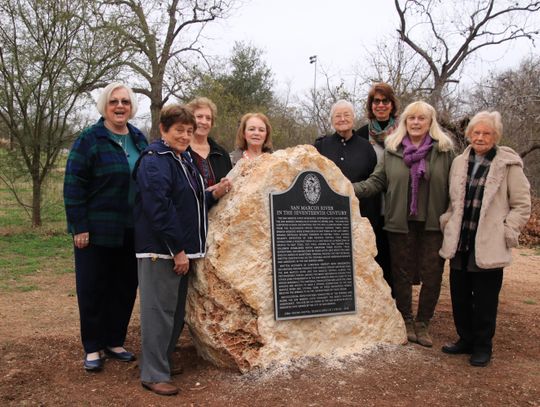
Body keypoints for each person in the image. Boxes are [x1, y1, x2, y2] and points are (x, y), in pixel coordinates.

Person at [134, 104, 231, 396]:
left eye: (189, 131)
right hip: (161, 251)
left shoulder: (182, 159)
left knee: (175, 313)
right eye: (179, 130)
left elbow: (190, 200)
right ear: (163, 129)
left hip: (182, 251)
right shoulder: (155, 160)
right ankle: (152, 373)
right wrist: (177, 250)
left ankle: (161, 360)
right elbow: (159, 209)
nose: (185, 135)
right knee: (158, 312)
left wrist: (214, 192)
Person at [353, 101, 455, 347]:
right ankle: (406, 319)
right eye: (412, 119)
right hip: (400, 223)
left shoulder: (444, 151)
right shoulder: (392, 150)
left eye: (422, 118)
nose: (416, 123)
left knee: (432, 276)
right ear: (405, 122)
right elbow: (375, 182)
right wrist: (346, 188)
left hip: (432, 224)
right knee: (401, 274)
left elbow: (455, 188)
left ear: (430, 123)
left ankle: (423, 323)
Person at [64, 82, 148, 372]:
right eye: (114, 101)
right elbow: (74, 185)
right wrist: (79, 226)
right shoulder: (90, 139)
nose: (120, 106)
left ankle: (114, 341)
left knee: (124, 288)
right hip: (97, 230)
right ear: (105, 105)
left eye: (125, 101)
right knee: (92, 288)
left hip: (132, 230)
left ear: (132, 106)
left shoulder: (139, 139)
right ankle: (93, 347)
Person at [439, 111, 531, 367]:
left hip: (490, 242)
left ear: (495, 136)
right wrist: (447, 219)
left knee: (485, 298)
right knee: (459, 295)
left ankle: (482, 346)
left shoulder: (507, 164)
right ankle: (465, 339)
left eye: (486, 133)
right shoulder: (459, 161)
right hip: (460, 239)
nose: (480, 137)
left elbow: (522, 205)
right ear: (469, 135)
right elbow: (453, 200)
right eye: (476, 133)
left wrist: (507, 230)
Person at [314, 99, 379, 251]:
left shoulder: (367, 148)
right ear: (331, 120)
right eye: (337, 116)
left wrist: (371, 222)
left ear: (354, 117)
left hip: (360, 217)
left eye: (346, 115)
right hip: (328, 220)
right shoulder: (321, 146)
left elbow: (374, 184)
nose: (342, 119)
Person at [356, 83, 400, 294]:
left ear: (392, 105)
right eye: (376, 101)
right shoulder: (362, 134)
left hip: (396, 205)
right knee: (373, 257)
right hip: (370, 206)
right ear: (371, 105)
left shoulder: (404, 133)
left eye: (385, 101)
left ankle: (397, 307)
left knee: (395, 261)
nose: (380, 105)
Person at [186, 97, 232, 187]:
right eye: (199, 117)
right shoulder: (180, 152)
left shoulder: (222, 154)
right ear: (189, 119)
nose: (204, 122)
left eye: (208, 118)